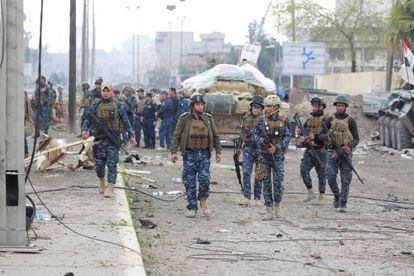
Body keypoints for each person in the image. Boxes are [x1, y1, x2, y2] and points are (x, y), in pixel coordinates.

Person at [170, 93, 222, 218]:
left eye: (202, 104)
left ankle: (203, 201)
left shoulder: (208, 119)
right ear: (193, 106)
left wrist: (218, 151)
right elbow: (177, 135)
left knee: (205, 180)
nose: (200, 107)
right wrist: (173, 152)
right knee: (189, 181)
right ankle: (192, 207)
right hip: (189, 154)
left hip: (204, 154)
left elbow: (215, 135)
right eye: (197, 104)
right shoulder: (184, 119)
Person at [82, 83, 135, 198]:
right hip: (99, 140)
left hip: (113, 140)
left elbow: (126, 121)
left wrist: (131, 135)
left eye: (107, 91)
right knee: (99, 166)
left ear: (111, 92)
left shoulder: (119, 106)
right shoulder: (96, 105)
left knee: (112, 164)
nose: (105, 93)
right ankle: (102, 182)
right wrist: (84, 130)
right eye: (103, 91)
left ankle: (111, 187)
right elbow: (88, 118)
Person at [313, 94, 359, 213]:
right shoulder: (329, 120)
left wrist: (349, 146)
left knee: (346, 179)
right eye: (338, 105)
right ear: (335, 106)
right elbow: (320, 135)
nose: (340, 108)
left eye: (342, 106)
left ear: (346, 107)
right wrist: (327, 137)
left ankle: (343, 202)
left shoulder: (351, 121)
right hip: (331, 151)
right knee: (330, 176)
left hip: (345, 153)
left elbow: (356, 139)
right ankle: (336, 194)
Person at [253, 95, 291, 220]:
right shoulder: (261, 120)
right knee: (266, 183)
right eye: (266, 106)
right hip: (264, 156)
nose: (267, 109)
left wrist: (277, 147)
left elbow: (287, 137)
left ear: (276, 107)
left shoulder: (283, 120)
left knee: (278, 183)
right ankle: (268, 209)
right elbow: (254, 134)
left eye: (269, 106)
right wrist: (262, 141)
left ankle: (277, 206)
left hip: (278, 156)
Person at [296, 96, 328, 203]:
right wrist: (300, 133)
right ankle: (310, 192)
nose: (314, 108)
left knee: (321, 174)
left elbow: (328, 135)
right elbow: (303, 131)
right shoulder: (309, 119)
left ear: (322, 107)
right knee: (303, 170)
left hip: (321, 150)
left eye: (316, 106)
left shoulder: (326, 120)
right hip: (310, 150)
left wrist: (316, 137)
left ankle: (321, 196)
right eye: (313, 106)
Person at [238, 96, 264, 206]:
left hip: (260, 149)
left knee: (259, 174)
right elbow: (242, 132)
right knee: (246, 172)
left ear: (261, 109)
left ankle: (257, 197)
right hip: (248, 148)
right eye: (254, 107)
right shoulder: (246, 117)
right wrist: (239, 147)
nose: (256, 109)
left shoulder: (264, 119)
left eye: (258, 107)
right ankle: (246, 196)